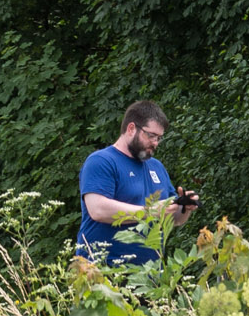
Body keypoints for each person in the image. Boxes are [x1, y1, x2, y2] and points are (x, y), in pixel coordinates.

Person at [77, 100, 196, 266]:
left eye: (159, 138)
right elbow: (98, 209)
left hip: (149, 275)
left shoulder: (157, 167)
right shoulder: (101, 161)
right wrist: (150, 211)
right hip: (104, 272)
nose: (155, 143)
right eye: (151, 135)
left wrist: (184, 207)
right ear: (131, 128)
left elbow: (174, 219)